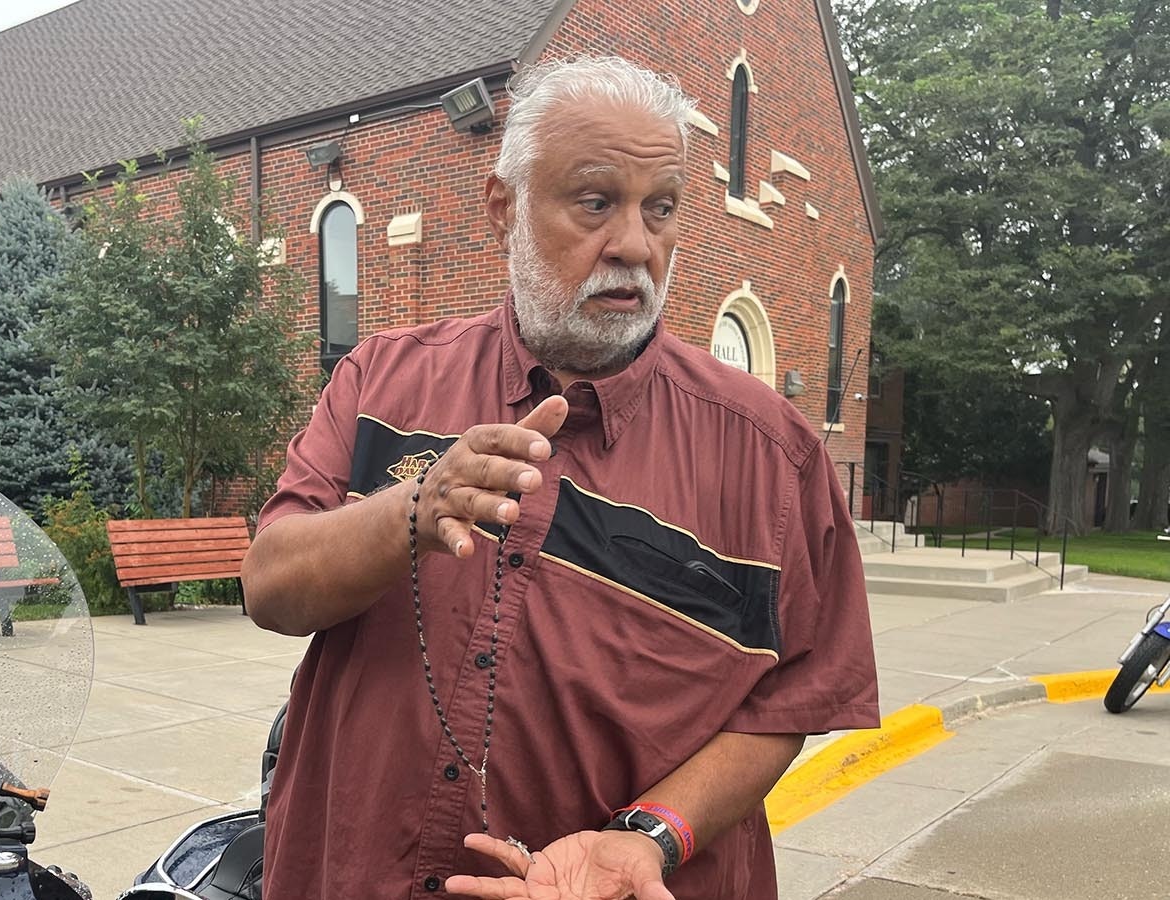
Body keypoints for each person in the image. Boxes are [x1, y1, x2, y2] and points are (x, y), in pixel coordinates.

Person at [241, 55, 879, 900]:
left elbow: (794, 700)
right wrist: (415, 509)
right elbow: (271, 589)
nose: (634, 245)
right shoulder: (381, 381)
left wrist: (653, 837)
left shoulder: (774, 457)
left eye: (660, 208)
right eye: (594, 201)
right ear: (504, 207)